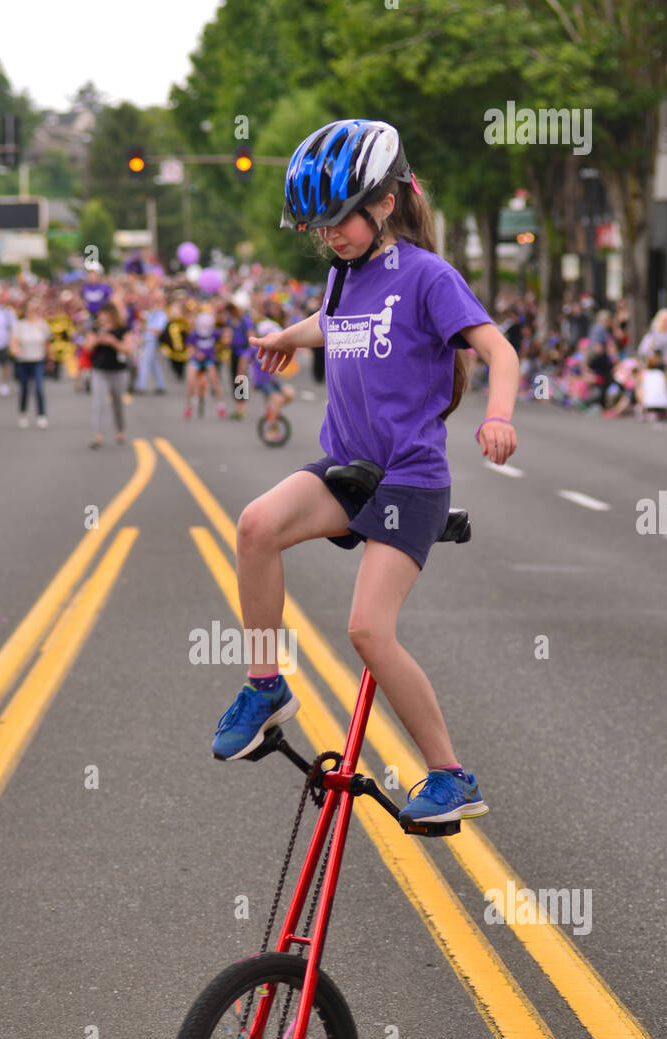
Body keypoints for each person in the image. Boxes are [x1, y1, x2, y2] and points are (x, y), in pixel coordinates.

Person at [210, 118, 519, 828]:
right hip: (344, 468)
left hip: (408, 479)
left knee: (366, 632)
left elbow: (497, 351)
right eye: (316, 226)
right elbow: (333, 321)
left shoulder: (428, 275)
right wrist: (286, 336)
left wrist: (497, 415)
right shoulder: (343, 273)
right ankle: (264, 686)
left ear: (383, 202)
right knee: (255, 525)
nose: (327, 236)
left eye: (336, 221)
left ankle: (451, 775)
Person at [84, 302, 133, 447]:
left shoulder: (123, 329)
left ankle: (120, 430)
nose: (102, 318)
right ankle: (98, 434)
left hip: (118, 370)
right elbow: (87, 347)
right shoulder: (95, 329)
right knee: (99, 403)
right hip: (100, 370)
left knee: (118, 402)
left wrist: (113, 342)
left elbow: (128, 349)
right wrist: (97, 339)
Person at [10, 299, 51, 427]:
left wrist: (50, 358)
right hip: (23, 360)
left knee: (38, 388)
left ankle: (41, 415)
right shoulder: (20, 325)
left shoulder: (43, 324)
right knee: (24, 388)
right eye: (30, 309)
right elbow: (14, 342)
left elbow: (47, 343)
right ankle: (23, 413)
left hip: (38, 359)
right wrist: (15, 349)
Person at [184, 310, 226, 419]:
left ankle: (220, 405)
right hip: (196, 360)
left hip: (209, 360)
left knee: (214, 380)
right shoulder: (194, 333)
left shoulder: (214, 333)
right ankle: (188, 406)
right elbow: (189, 347)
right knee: (190, 380)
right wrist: (196, 353)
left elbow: (225, 334)